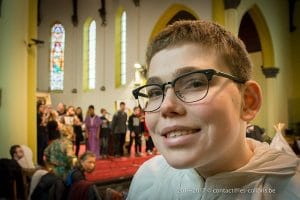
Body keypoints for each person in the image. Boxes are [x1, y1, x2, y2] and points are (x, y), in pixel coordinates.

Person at [128, 20, 300, 199]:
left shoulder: (291, 191)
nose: (166, 106)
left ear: (248, 102)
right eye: (155, 92)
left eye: (195, 83)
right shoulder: (147, 180)